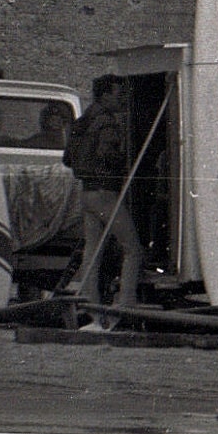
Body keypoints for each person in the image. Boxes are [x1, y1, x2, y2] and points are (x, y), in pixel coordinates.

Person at [63, 75, 145, 308]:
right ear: (105, 95)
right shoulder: (107, 123)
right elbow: (108, 155)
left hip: (87, 193)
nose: (122, 100)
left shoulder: (82, 122)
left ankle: (91, 305)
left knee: (92, 252)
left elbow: (67, 159)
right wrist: (125, 160)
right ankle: (126, 304)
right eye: (119, 95)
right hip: (105, 193)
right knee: (132, 249)